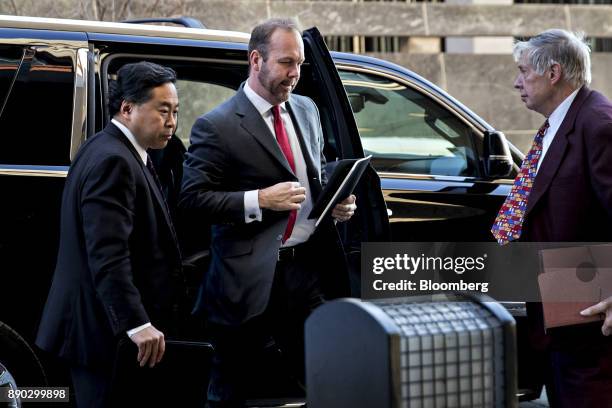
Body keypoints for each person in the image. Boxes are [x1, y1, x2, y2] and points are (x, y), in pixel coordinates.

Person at [180, 18, 356, 407]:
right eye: (286, 63)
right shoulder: (216, 125)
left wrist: (334, 203)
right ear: (256, 60)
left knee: (331, 378)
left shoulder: (306, 109)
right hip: (245, 279)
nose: (295, 74)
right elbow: (192, 200)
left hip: (305, 273)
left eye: (300, 64)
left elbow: (315, 170)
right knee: (229, 390)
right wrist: (258, 199)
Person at [35, 61, 183, 407]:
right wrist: (136, 323)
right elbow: (107, 253)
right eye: (163, 111)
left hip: (98, 328)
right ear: (127, 108)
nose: (172, 122)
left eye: (175, 111)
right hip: (100, 332)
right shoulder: (113, 160)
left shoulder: (109, 148)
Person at [491, 29, 612, 407]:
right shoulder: (560, 123)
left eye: (523, 71)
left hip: (591, 319)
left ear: (553, 73)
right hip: (559, 312)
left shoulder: (600, 124)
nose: (517, 82)